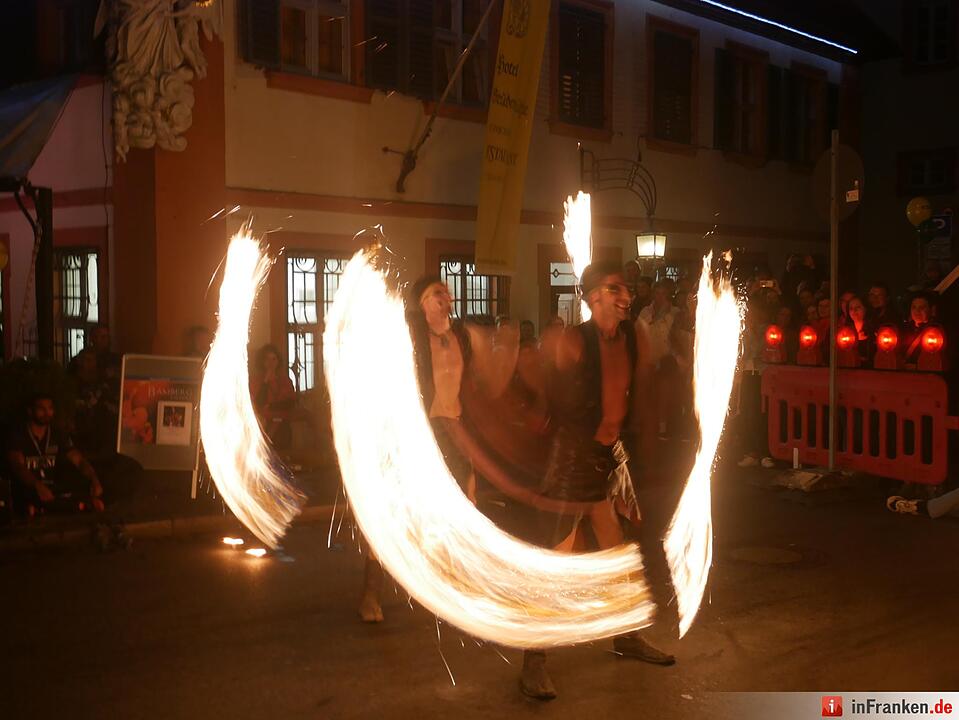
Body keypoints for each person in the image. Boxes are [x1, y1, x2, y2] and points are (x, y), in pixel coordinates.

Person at [519, 261, 674, 701]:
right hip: (572, 460)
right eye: (617, 288)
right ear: (593, 297)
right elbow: (545, 396)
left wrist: (645, 444)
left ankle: (624, 637)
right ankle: (534, 661)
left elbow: (638, 392)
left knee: (618, 555)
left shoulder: (631, 337)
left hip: (608, 458)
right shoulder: (573, 341)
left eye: (627, 289)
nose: (627, 296)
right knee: (556, 563)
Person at [357, 276, 518, 623]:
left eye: (445, 291)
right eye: (435, 294)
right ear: (422, 305)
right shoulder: (411, 339)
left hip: (454, 429)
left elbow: (481, 381)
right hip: (420, 431)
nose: (444, 297)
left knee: (464, 508)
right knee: (398, 511)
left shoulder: (460, 335)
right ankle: (371, 590)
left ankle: (457, 586)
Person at [5, 393, 104, 516]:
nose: (47, 412)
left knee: (83, 491)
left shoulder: (58, 434)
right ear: (30, 411)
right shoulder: (19, 435)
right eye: (41, 409)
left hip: (52, 489)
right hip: (28, 488)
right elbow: (18, 466)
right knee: (28, 502)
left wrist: (94, 479)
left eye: (50, 408)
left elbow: (79, 460)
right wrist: (37, 485)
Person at [250, 344, 297, 452]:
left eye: (273, 359)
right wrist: (265, 382)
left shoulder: (285, 380)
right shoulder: (256, 380)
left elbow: (290, 402)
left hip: (282, 418)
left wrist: (271, 406)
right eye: (267, 359)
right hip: (265, 419)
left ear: (278, 361)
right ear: (262, 361)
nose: (271, 363)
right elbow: (259, 403)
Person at [899, 291, 942, 367]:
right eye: (914, 307)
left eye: (921, 307)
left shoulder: (937, 333)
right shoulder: (903, 329)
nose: (917, 311)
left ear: (931, 310)